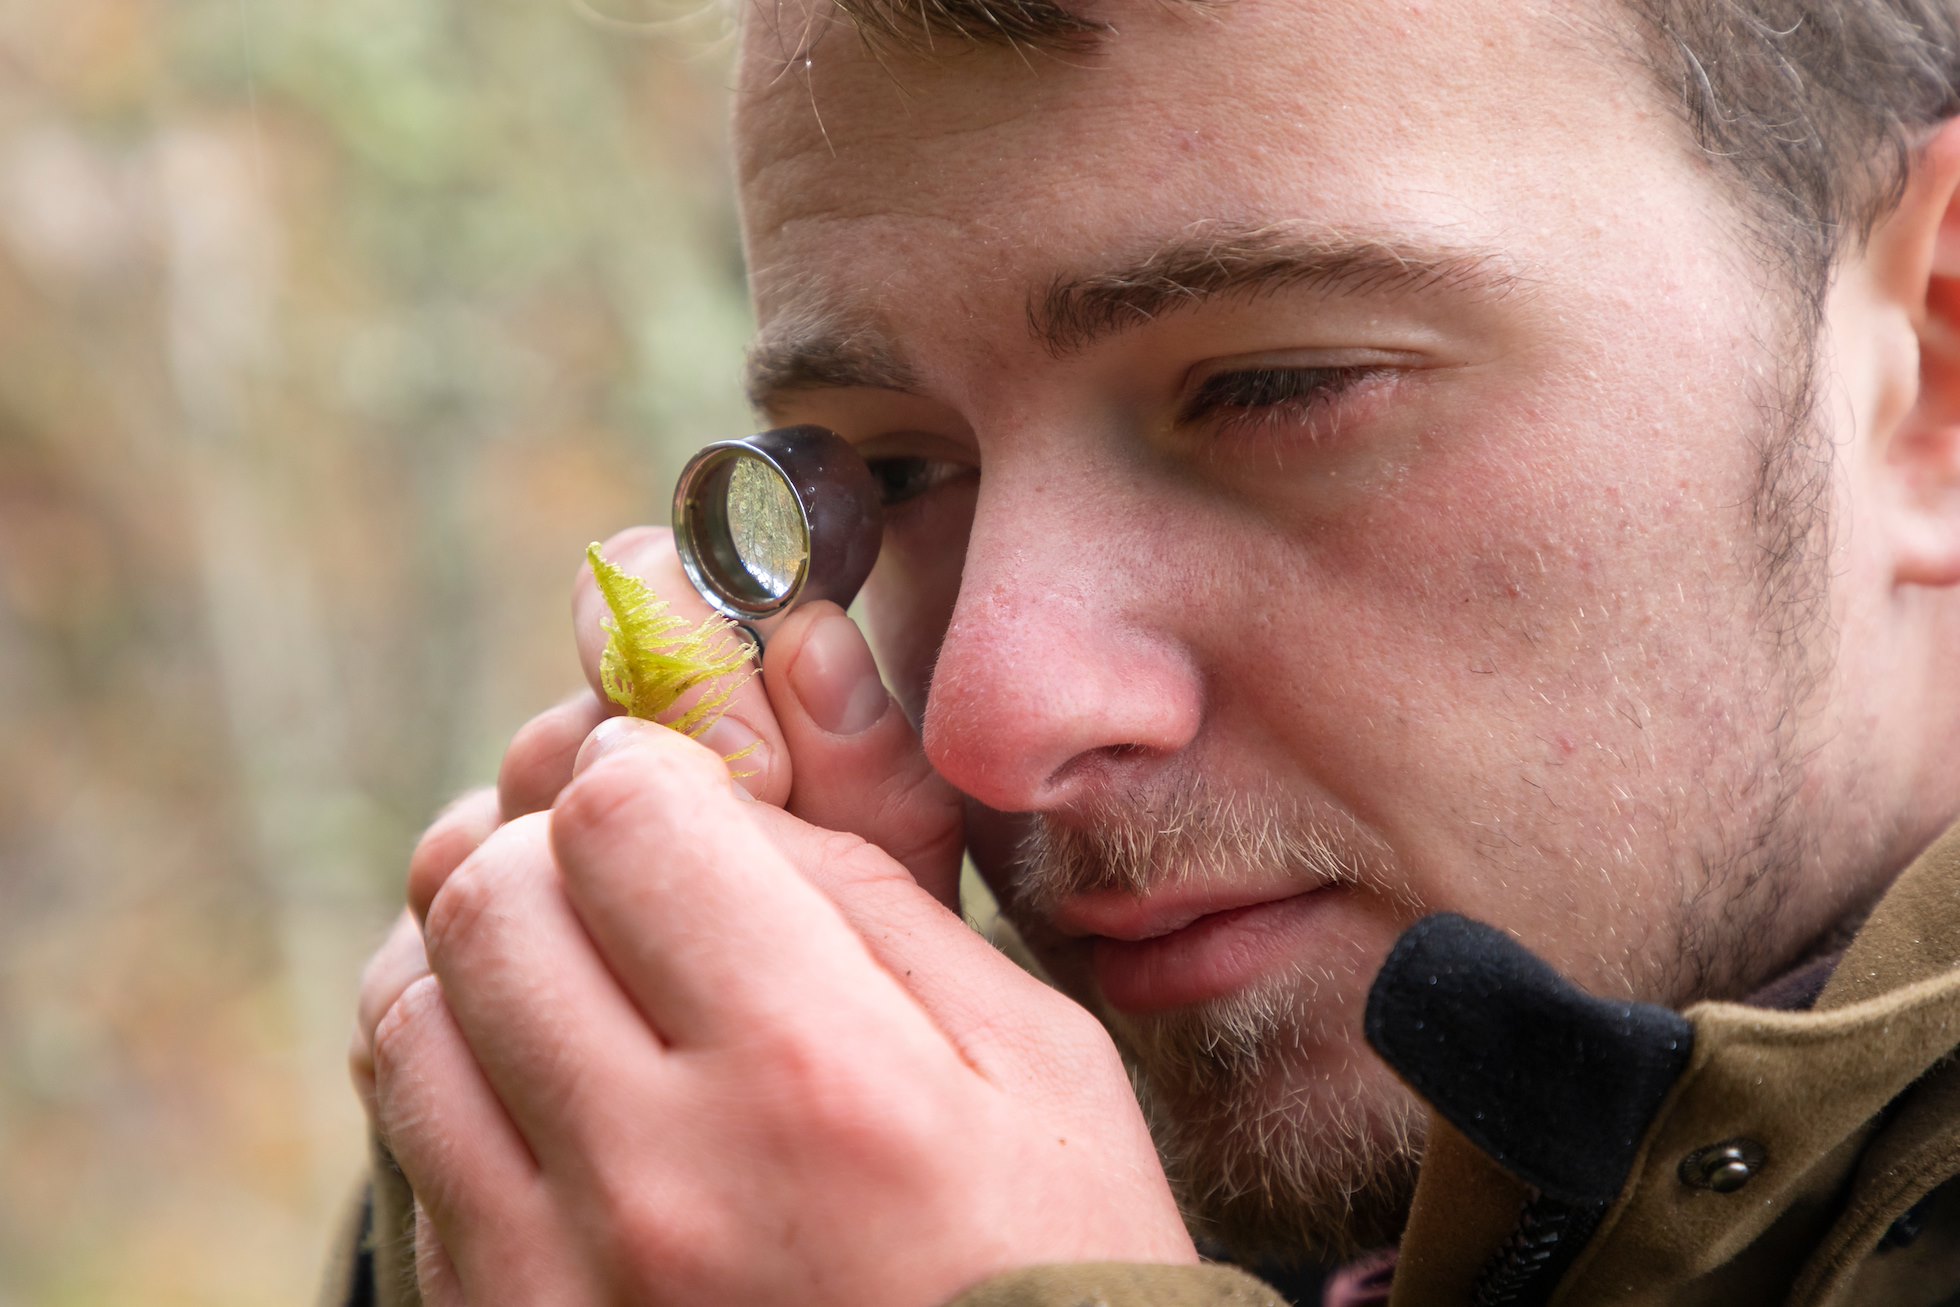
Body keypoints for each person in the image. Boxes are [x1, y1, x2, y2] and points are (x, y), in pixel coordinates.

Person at [328, 1, 1960, 1303]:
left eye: (1278, 388)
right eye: (890, 474)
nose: (987, 714)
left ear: (1934, 371)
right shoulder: (755, 1181)